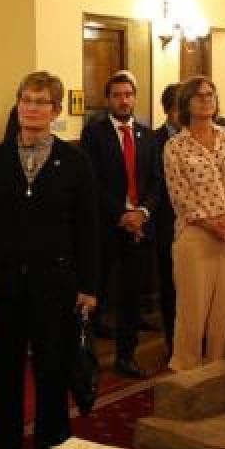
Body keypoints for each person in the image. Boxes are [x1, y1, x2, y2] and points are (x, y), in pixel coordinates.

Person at [0, 72, 98, 449]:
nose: (32, 108)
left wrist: (89, 287)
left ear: (56, 110)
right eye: (26, 100)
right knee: (4, 381)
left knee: (52, 376)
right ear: (17, 105)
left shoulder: (74, 161)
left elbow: (87, 227)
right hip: (3, 285)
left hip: (55, 287)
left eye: (41, 102)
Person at [162, 76, 225, 370]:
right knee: (192, 311)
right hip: (195, 236)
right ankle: (186, 373)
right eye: (199, 96)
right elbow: (181, 197)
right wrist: (215, 227)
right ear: (186, 103)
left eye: (211, 94)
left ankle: (219, 370)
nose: (206, 100)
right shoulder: (175, 146)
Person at [80, 70, 159, 378]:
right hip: (105, 227)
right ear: (107, 99)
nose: (123, 100)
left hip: (140, 227)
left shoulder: (147, 135)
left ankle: (126, 356)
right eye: (117, 95)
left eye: (128, 94)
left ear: (134, 98)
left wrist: (142, 213)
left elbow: (156, 182)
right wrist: (122, 214)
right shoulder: (94, 134)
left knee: (130, 298)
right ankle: (86, 357)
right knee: (93, 292)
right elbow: (92, 182)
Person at [150, 83, 182, 354]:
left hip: (201, 226)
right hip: (166, 224)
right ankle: (175, 343)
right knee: (171, 287)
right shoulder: (153, 140)